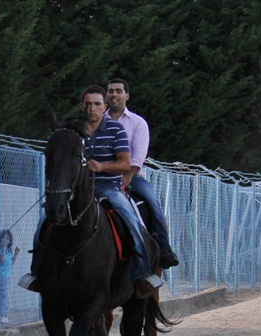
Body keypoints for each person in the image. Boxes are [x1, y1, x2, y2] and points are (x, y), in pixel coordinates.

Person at [19, 85, 163, 298]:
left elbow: (125, 163)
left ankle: (141, 274)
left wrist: (101, 166)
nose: (92, 108)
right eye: (87, 104)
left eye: (97, 104)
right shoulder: (73, 132)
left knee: (131, 221)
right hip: (76, 191)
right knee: (43, 221)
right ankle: (36, 273)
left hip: (108, 188)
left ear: (104, 106)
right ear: (81, 105)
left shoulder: (116, 130)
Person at [105, 78, 179, 268]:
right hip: (100, 177)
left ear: (126, 96)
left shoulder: (138, 123)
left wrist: (126, 178)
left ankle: (164, 249)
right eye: (111, 91)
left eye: (118, 91)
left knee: (152, 202)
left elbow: (138, 155)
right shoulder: (96, 122)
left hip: (131, 176)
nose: (114, 94)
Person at [0, 229, 20, 325]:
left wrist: (16, 253)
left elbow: (11, 262)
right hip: (0, 275)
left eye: (7, 238)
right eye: (3, 238)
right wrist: (3, 248)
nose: (6, 240)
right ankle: (2, 315)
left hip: (6, 276)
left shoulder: (9, 250)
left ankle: (2, 315)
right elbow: (2, 260)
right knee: (2, 295)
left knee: (3, 295)